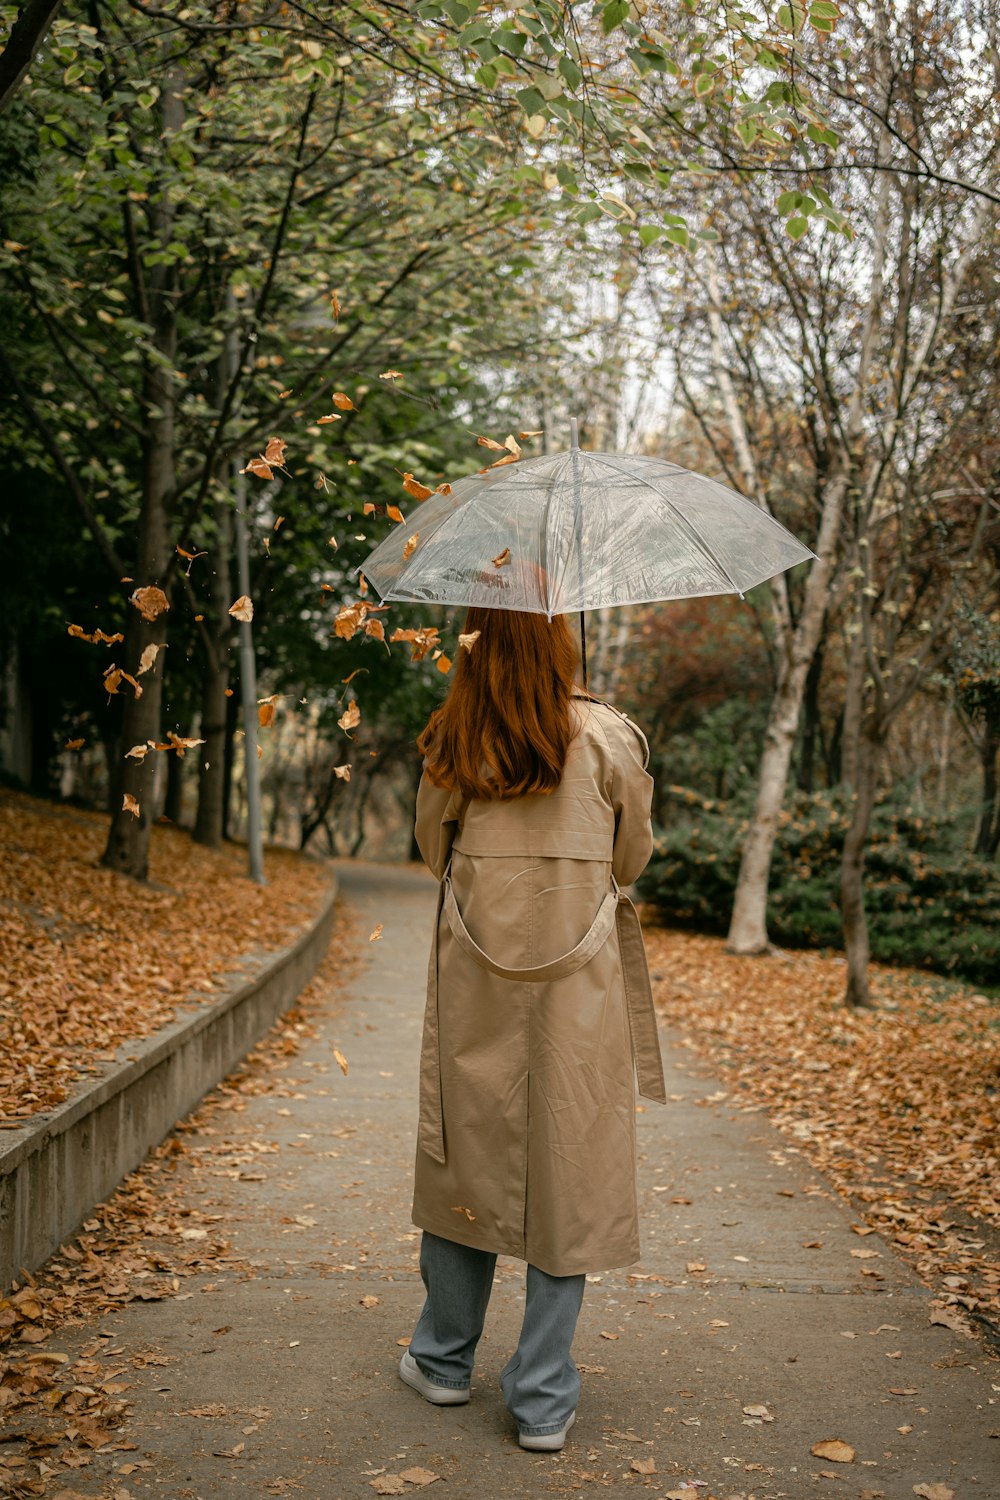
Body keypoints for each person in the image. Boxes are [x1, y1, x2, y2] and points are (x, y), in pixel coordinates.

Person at [399, 605, 665, 1451]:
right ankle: (544, 1399)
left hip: (475, 978)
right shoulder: (611, 736)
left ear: (473, 643)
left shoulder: (454, 739)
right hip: (578, 988)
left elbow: (430, 850)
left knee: (463, 1153)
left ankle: (442, 1361)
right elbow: (633, 859)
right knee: (568, 1166)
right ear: (560, 640)